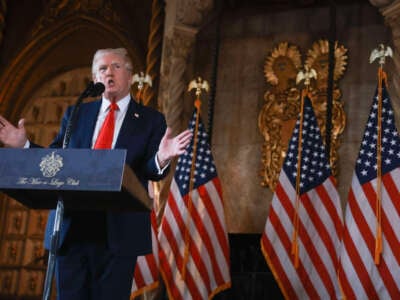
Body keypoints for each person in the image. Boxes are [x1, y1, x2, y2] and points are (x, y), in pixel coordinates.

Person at [0, 47, 192, 299]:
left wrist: (161, 157)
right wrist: (24, 146)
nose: (109, 73)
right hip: (72, 228)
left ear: (130, 75)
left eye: (116, 67)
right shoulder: (76, 113)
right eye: (102, 68)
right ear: (95, 79)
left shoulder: (149, 119)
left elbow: (148, 170)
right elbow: (56, 161)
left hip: (119, 233)